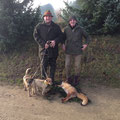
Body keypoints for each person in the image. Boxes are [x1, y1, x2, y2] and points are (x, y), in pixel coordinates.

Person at [33, 10, 63, 84]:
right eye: (46, 16)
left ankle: (51, 82)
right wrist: (43, 44)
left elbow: (61, 36)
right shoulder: (39, 26)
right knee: (43, 66)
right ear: (44, 17)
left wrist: (55, 41)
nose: (47, 18)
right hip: (43, 50)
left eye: (49, 16)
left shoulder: (56, 27)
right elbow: (35, 36)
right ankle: (43, 83)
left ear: (51, 18)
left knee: (53, 66)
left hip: (53, 50)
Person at [62, 16, 90, 86]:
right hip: (68, 50)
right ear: (69, 21)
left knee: (77, 66)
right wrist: (63, 44)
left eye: (74, 20)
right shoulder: (66, 29)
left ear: (76, 21)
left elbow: (88, 37)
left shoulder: (80, 29)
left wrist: (86, 44)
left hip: (78, 51)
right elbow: (62, 38)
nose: (72, 21)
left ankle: (76, 78)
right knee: (67, 65)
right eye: (71, 20)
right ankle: (68, 78)